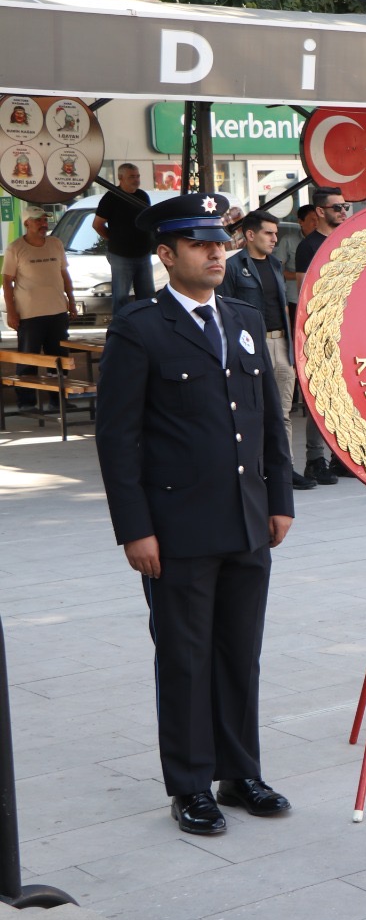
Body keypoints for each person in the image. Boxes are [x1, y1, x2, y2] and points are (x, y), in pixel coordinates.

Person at [94, 192, 295, 836]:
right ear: (166, 254)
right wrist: (136, 528)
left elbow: (265, 416)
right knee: (184, 657)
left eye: (221, 242)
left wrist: (281, 498)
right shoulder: (140, 327)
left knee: (241, 653)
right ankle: (189, 784)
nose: (217, 252)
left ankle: (240, 773)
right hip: (178, 530)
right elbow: (117, 438)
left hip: (246, 519)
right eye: (201, 244)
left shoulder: (238, 316)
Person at [221, 211, 313, 492]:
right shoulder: (234, 266)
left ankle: (284, 469)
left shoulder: (275, 264)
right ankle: (254, 469)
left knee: (282, 412)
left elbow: (282, 305)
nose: (275, 238)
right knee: (252, 411)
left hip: (281, 344)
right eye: (268, 233)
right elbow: (225, 310)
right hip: (251, 348)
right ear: (250, 235)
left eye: (275, 233)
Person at [291, 188, 349, 485]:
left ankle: (342, 456)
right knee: (321, 393)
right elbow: (305, 294)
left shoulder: (348, 242)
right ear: (320, 211)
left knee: (349, 393)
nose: (343, 211)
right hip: (320, 330)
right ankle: (316, 458)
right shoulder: (309, 246)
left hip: (349, 330)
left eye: (345, 205)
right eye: (337, 207)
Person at [3, 206, 75, 410]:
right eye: (38, 220)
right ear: (27, 223)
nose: (44, 224)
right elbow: (7, 282)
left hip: (57, 311)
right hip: (29, 314)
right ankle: (26, 402)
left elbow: (64, 274)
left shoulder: (56, 244)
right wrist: (11, 312)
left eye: (45, 220)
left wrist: (71, 299)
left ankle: (58, 401)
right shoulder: (15, 248)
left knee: (59, 358)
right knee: (28, 358)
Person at [93, 163, 155, 312]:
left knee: (147, 296)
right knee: (121, 296)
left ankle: (147, 329)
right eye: (131, 176)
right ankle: (120, 330)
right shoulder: (110, 198)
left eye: (137, 176)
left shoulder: (142, 196)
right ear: (120, 178)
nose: (136, 179)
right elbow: (97, 224)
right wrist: (114, 238)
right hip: (121, 255)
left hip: (143, 253)